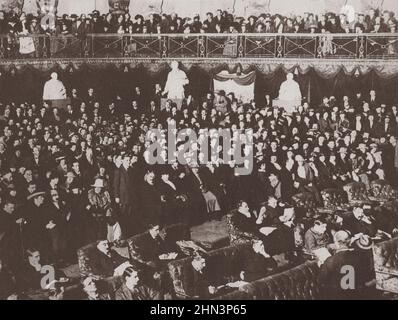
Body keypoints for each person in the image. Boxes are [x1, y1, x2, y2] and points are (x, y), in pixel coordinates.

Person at [319, 231, 374, 300]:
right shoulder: (361, 257)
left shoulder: (330, 260)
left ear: (336, 243)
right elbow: (367, 278)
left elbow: (322, 280)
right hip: (357, 295)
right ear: (349, 241)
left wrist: (322, 266)